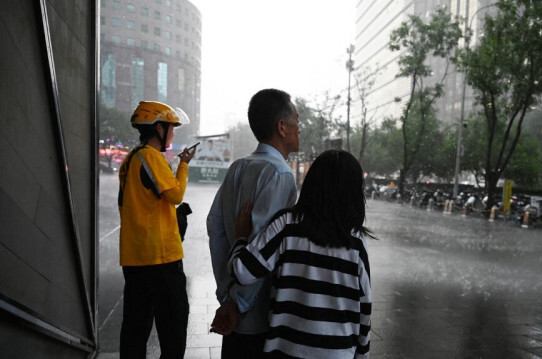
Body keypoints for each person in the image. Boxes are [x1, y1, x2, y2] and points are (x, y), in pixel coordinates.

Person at [228, 149, 373, 358]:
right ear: (354, 194)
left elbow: (242, 272)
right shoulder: (357, 242)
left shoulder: (286, 224)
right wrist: (362, 355)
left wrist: (240, 239)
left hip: (285, 351)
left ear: (311, 184)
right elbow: (365, 307)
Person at [207, 89, 300, 358]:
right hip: (257, 315)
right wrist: (237, 305)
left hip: (232, 309)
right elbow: (262, 251)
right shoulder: (281, 174)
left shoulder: (238, 166)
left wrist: (227, 294)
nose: (299, 127)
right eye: (296, 119)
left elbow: (217, 230)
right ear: (282, 127)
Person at [118, 101, 196, 358]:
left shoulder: (130, 160)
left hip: (135, 258)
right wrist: (184, 165)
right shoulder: (150, 157)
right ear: (159, 128)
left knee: (135, 328)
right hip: (160, 259)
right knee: (173, 326)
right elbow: (175, 194)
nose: (173, 134)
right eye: (171, 128)